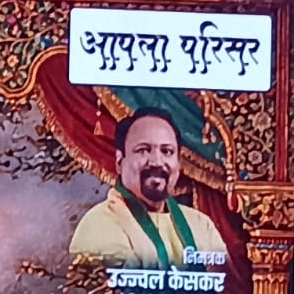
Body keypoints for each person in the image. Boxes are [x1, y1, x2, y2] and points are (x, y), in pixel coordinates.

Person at [69, 108, 228, 268]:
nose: (157, 161)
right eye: (143, 150)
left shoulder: (201, 225)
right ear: (119, 161)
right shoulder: (99, 225)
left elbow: (224, 280)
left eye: (167, 151)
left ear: (179, 164)